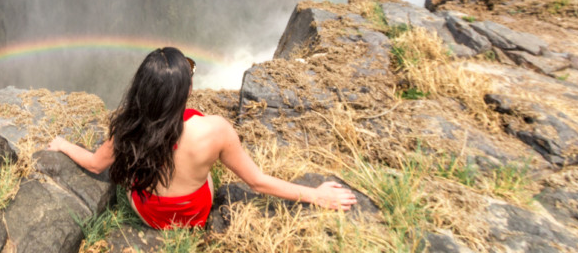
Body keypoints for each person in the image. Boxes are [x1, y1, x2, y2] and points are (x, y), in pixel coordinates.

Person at [48, 46, 357, 229]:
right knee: (209, 170)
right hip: (195, 213)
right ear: (188, 91)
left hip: (149, 214)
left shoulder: (128, 127)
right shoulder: (216, 129)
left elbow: (94, 164)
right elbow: (257, 182)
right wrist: (316, 195)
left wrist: (61, 144)